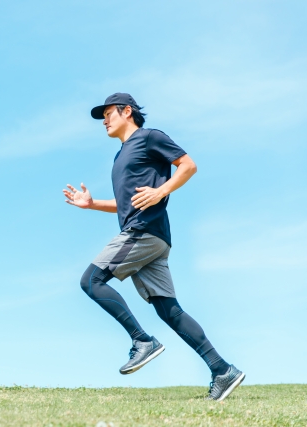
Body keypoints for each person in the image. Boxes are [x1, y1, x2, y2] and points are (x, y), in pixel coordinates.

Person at [62, 93, 245, 401]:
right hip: (152, 237)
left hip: (143, 232)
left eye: (108, 114)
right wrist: (92, 204)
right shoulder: (120, 155)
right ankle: (222, 369)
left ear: (127, 111)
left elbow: (188, 165)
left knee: (91, 281)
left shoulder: (149, 138)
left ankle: (142, 341)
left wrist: (162, 191)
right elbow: (124, 203)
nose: (104, 120)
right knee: (169, 310)